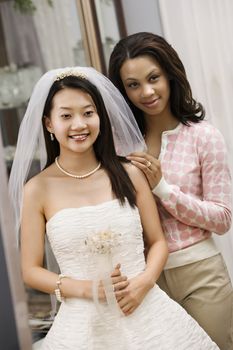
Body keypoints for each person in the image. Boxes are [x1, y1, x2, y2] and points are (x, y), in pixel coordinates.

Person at [9, 66, 219, 349]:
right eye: (66, 116)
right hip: (83, 324)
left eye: (88, 113)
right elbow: (31, 270)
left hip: (147, 310)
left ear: (100, 117)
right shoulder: (37, 189)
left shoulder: (129, 173)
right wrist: (86, 289)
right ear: (49, 123)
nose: (79, 124)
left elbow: (157, 242)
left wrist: (143, 284)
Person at [108, 32, 233, 350]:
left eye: (153, 78)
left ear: (170, 74)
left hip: (200, 276)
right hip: (144, 282)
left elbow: (222, 219)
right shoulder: (119, 146)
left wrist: (163, 188)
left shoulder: (204, 137)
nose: (146, 92)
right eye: (133, 84)